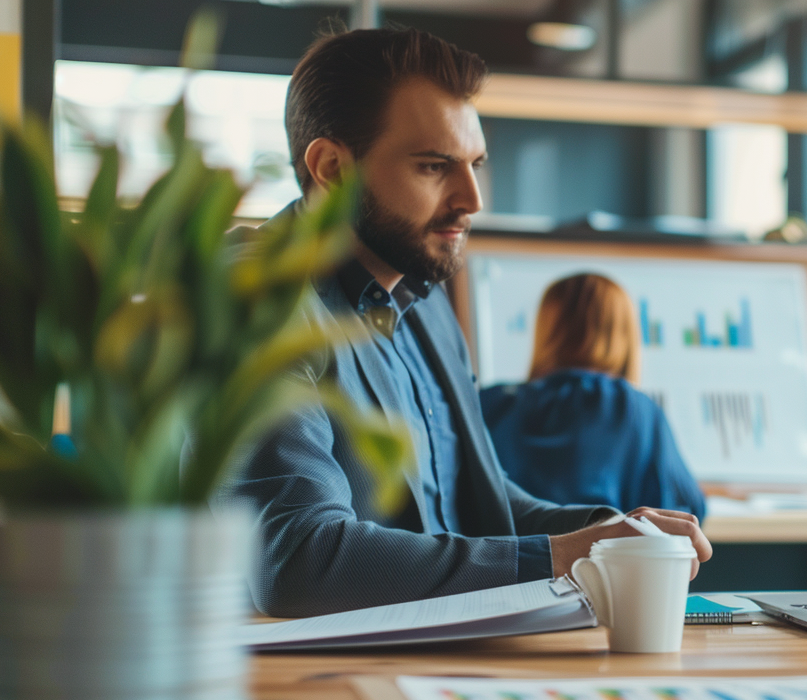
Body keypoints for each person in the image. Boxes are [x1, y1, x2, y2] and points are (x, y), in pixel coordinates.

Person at [222, 28, 710, 617]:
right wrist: (564, 555)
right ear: (331, 168)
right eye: (435, 166)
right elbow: (298, 563)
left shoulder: (421, 292)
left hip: (441, 661)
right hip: (320, 684)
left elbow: (475, 504)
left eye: (476, 163)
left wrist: (606, 530)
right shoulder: (259, 297)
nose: (473, 198)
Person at [480, 273, 707, 519]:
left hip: (502, 558)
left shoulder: (491, 403)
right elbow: (682, 512)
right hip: (598, 556)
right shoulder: (633, 408)